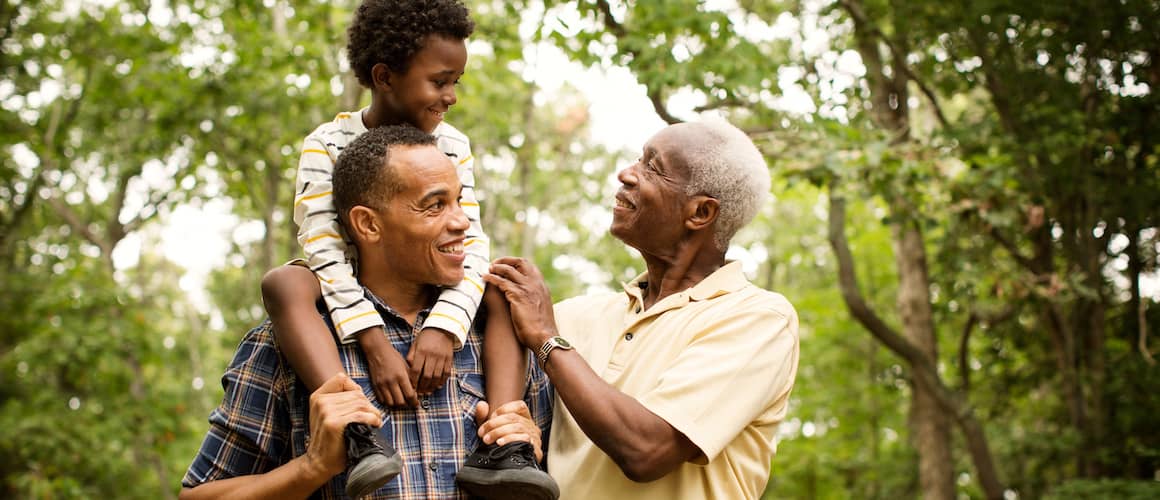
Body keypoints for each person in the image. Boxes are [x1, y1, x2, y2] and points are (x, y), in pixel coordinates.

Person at [258, 0, 548, 497]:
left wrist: (443, 328)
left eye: (457, 81)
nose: (452, 96)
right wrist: (370, 339)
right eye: (440, 81)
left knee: (500, 281)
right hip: (350, 287)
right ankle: (356, 432)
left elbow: (469, 241)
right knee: (285, 281)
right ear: (384, 76)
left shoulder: (451, 144)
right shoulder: (328, 142)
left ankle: (503, 442)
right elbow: (324, 244)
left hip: (436, 287)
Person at [181, 125, 555, 500]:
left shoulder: (502, 335)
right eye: (435, 205)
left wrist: (530, 449)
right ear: (368, 224)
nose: (461, 223)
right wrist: (312, 467)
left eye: (459, 201)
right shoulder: (289, 341)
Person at [482, 118, 801, 499]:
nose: (626, 174)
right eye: (638, 159)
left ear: (700, 213)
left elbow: (647, 451)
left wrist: (547, 340)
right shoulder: (576, 316)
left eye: (653, 167)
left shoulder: (758, 320)